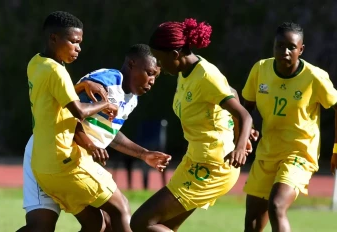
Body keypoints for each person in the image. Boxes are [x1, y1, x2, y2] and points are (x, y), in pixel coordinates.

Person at [26, 11, 169, 232]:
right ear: (132, 64)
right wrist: (92, 140)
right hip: (60, 153)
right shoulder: (104, 82)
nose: (151, 81)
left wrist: (143, 154)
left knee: (97, 225)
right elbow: (73, 117)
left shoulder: (130, 99)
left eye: (155, 77)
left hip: (56, 153)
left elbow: (108, 133)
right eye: (149, 73)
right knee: (119, 210)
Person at [130, 18, 253, 232]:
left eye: (159, 59)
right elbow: (230, 91)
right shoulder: (185, 72)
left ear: (175, 55)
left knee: (140, 222)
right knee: (163, 227)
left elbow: (244, 115)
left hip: (213, 166)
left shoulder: (206, 75)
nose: (158, 66)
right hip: (194, 160)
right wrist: (236, 130)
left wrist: (241, 144)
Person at [242, 22, 337, 232]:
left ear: (301, 49)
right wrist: (243, 133)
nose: (284, 51)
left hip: (299, 154)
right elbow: (245, 108)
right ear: (273, 46)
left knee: (276, 206)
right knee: (252, 222)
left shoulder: (314, 77)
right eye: (279, 45)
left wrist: (336, 149)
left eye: (291, 47)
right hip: (267, 151)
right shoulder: (260, 69)